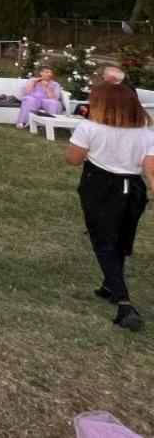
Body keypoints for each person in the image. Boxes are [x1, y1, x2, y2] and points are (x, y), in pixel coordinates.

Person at [65, 83, 154, 333]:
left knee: (103, 242)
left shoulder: (90, 128)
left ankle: (124, 303)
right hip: (133, 189)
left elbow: (73, 159)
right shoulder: (146, 133)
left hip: (101, 186)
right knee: (121, 239)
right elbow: (151, 169)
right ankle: (108, 286)